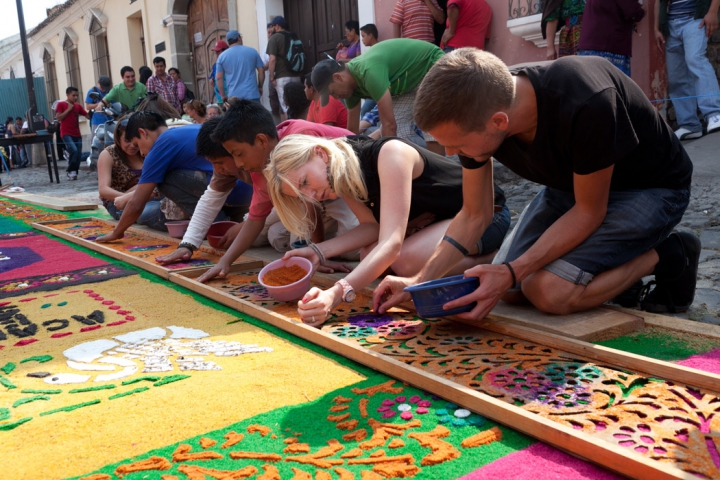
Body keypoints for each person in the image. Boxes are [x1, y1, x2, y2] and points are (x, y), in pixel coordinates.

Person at [373, 50, 699, 321]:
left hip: (651, 189)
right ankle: (608, 272)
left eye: (456, 144)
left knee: (547, 291)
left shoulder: (585, 98)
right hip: (571, 187)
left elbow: (589, 212)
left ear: (499, 121)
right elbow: (474, 214)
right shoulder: (480, 108)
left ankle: (670, 253)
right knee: (513, 292)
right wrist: (419, 281)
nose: (449, 154)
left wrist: (513, 271)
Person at [265, 134, 510, 326]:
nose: (312, 196)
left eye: (305, 182)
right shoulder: (341, 172)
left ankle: (494, 257)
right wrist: (317, 251)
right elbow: (373, 227)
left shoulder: (390, 154)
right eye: (302, 194)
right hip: (439, 224)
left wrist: (337, 294)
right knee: (368, 255)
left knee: (401, 261)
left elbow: (391, 243)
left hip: (486, 217)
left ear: (320, 153)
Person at [156, 100, 357, 277]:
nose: (238, 163)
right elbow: (254, 218)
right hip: (315, 198)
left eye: (238, 154)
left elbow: (310, 199)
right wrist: (223, 260)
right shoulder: (258, 167)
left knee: (352, 247)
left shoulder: (298, 140)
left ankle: (344, 237)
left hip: (347, 186)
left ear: (260, 141)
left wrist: (319, 251)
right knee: (278, 238)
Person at [96, 111, 252, 242]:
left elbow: (137, 202)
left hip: (232, 189)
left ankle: (218, 223)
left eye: (138, 145)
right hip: (247, 191)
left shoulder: (160, 146)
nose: (141, 153)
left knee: (161, 184)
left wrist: (117, 232)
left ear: (143, 133)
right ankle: (226, 218)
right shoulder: (181, 131)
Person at [311, 38, 445, 154]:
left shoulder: (368, 72)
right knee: (401, 134)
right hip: (408, 83)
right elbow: (352, 132)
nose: (335, 97)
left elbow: (389, 125)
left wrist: (386, 165)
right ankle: (421, 168)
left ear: (338, 77)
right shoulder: (349, 89)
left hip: (430, 65)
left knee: (430, 127)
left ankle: (438, 174)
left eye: (332, 92)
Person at [654, 0, 720, 139]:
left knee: (695, 59)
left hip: (695, 20)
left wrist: (712, 12)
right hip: (671, 23)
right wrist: (656, 29)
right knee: (676, 75)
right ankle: (689, 125)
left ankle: (714, 114)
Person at [97, 115, 166, 229]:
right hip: (118, 204)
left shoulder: (145, 150)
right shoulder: (108, 154)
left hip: (146, 197)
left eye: (135, 140)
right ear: (118, 137)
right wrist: (128, 198)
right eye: (127, 140)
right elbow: (103, 190)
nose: (133, 145)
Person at [577, 0, 645, 77]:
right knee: (610, 86)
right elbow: (632, 11)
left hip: (588, 46)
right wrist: (643, 11)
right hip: (608, 47)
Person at [267, 16, 303, 121]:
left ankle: (292, 133)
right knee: (297, 105)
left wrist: (271, 77)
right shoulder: (294, 36)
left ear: (277, 26)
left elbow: (272, 59)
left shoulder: (275, 38)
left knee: (286, 107)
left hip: (282, 77)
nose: (271, 28)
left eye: (272, 26)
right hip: (296, 75)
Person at [216, 29, 265, 104]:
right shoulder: (252, 51)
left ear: (228, 41)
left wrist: (223, 95)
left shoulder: (222, 57)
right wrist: (260, 86)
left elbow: (219, 78)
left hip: (234, 97)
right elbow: (261, 71)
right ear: (239, 38)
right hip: (252, 95)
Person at [56, 86, 92, 180]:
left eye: (77, 95)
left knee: (79, 155)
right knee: (74, 150)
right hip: (66, 133)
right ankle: (70, 170)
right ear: (67, 95)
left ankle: (74, 171)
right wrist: (68, 109)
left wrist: (94, 109)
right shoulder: (61, 104)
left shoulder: (78, 106)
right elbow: (59, 117)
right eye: (73, 95)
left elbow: (87, 116)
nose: (75, 97)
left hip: (77, 133)